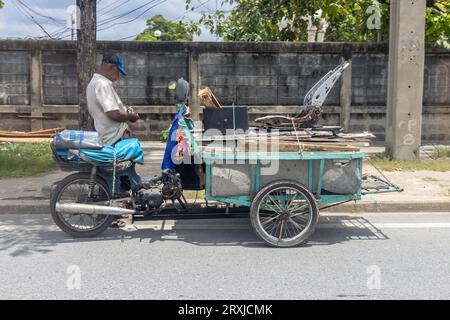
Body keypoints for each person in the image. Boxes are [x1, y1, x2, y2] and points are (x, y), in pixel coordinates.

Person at [86, 53, 139, 146]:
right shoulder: (103, 84)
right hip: (114, 138)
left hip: (107, 137)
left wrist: (124, 109)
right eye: (118, 71)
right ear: (112, 67)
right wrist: (131, 115)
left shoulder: (94, 83)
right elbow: (114, 114)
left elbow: (109, 108)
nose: (118, 76)